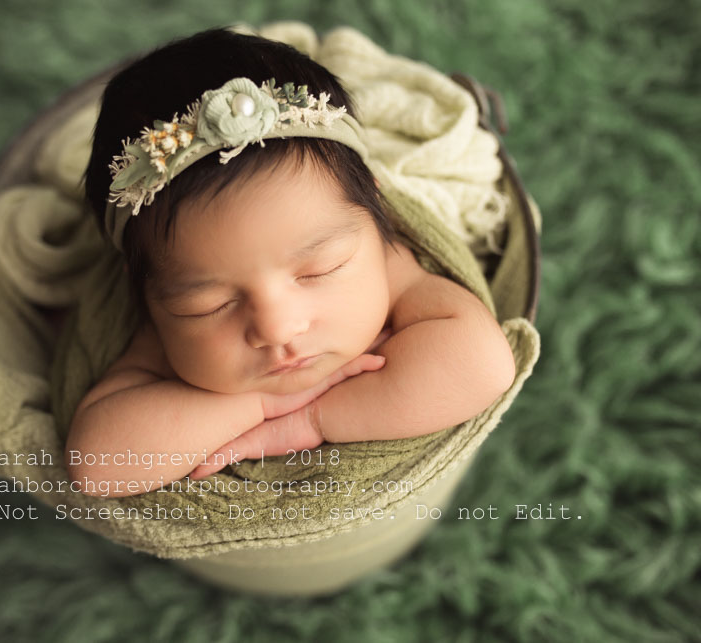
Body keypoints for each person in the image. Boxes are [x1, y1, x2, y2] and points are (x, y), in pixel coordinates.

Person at [64, 28, 516, 497]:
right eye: (209, 305)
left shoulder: (387, 260)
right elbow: (97, 466)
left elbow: (482, 364)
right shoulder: (161, 337)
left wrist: (311, 419)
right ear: (144, 293)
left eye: (319, 269)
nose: (278, 330)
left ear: (377, 215)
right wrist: (258, 405)